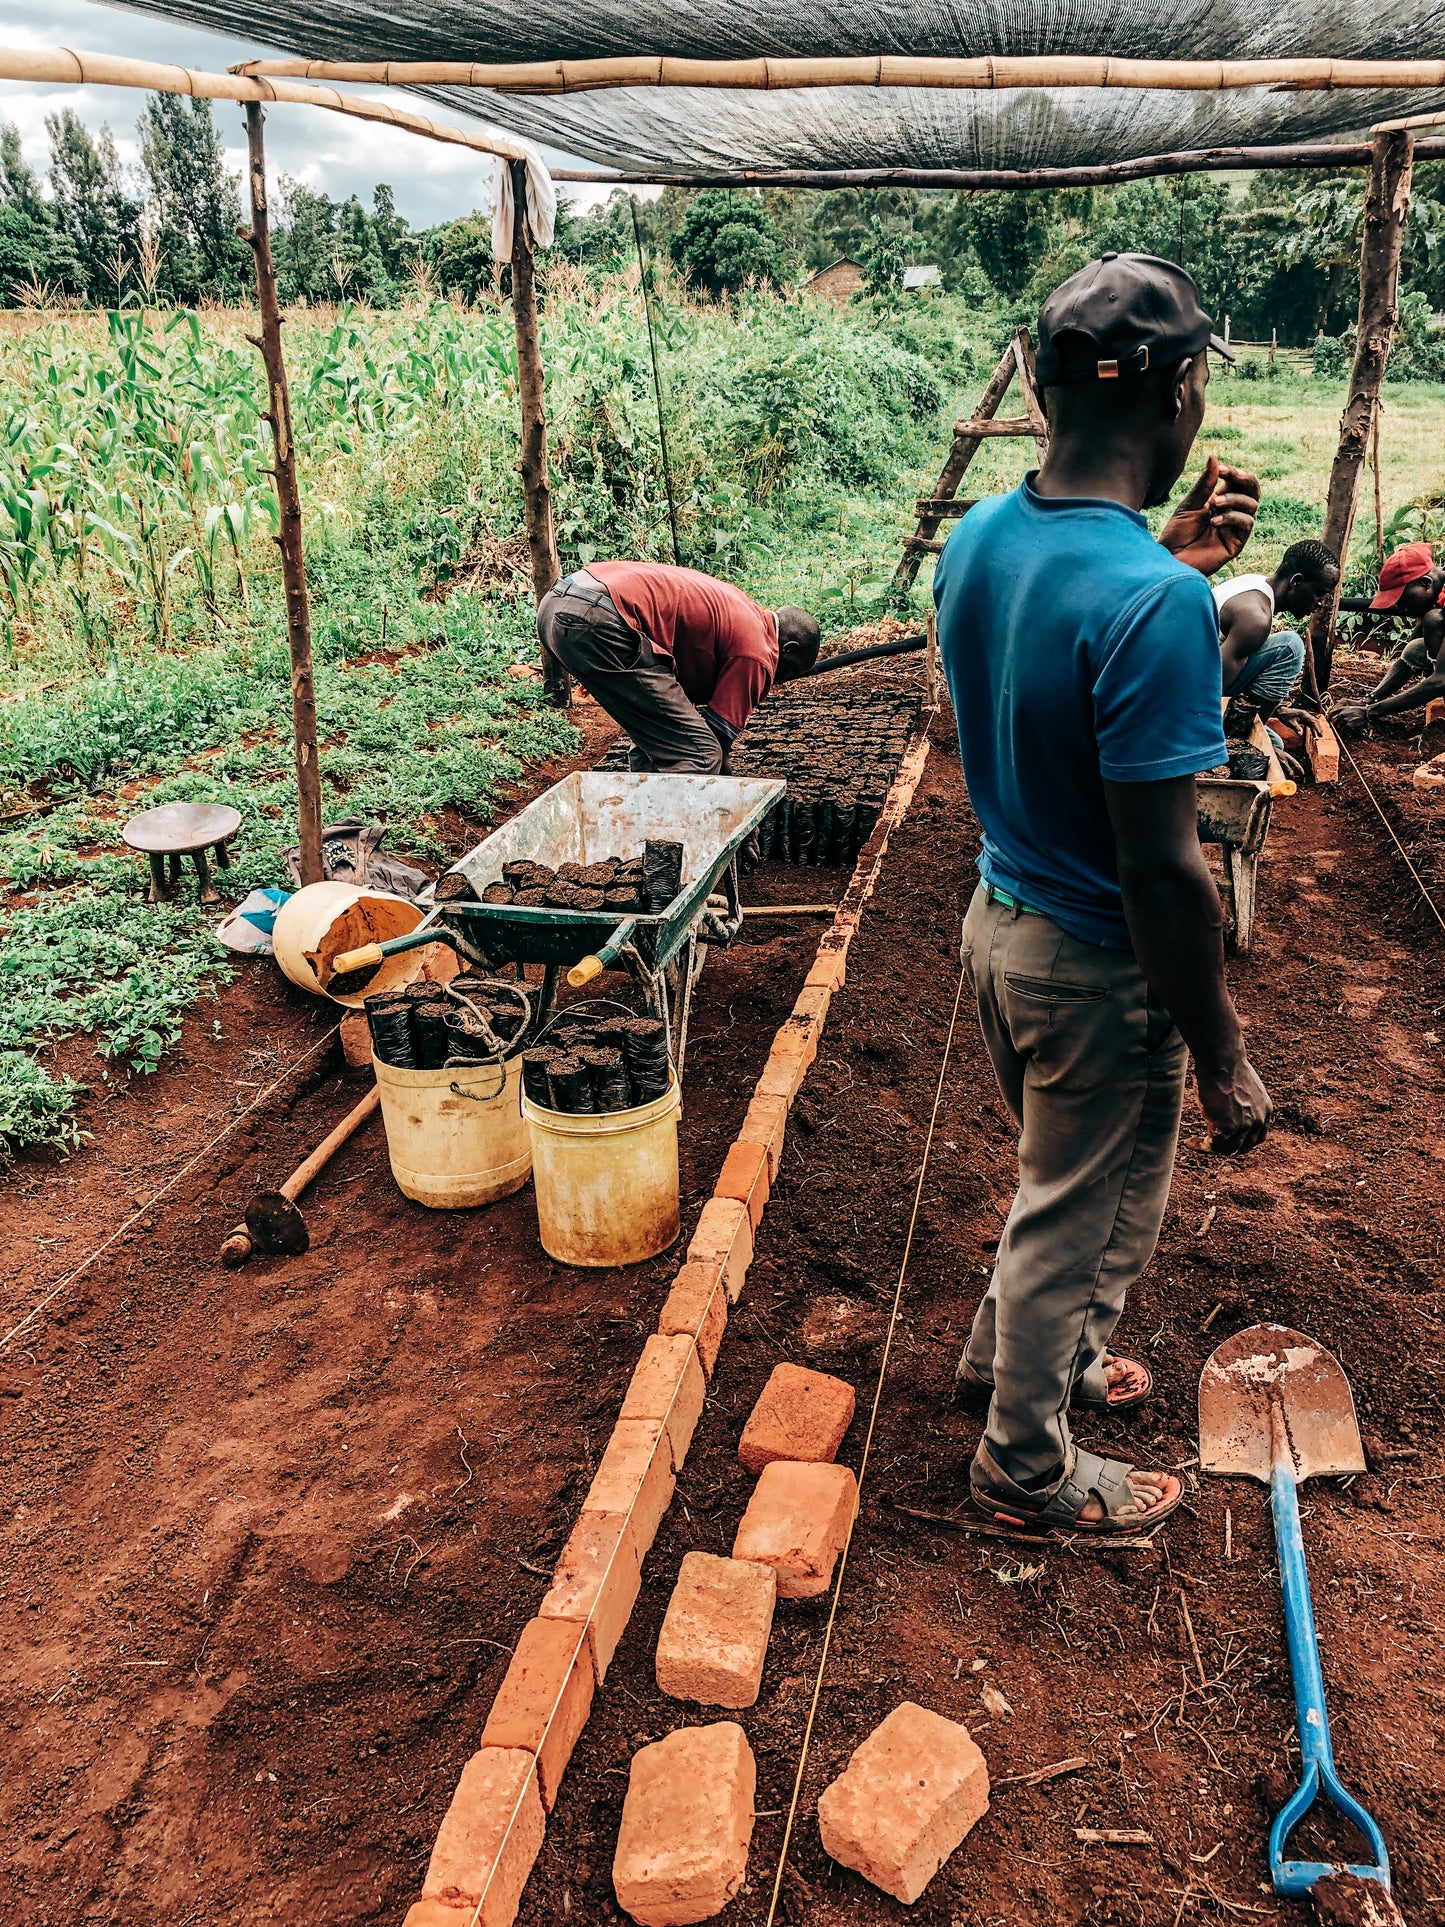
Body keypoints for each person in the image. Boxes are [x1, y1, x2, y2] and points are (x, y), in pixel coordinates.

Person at [935, 252, 1271, 1539]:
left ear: (1038, 393)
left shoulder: (982, 534)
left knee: (1051, 1188)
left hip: (998, 923)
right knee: (1086, 1216)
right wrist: (1223, 1052)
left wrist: (1166, 558)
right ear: (1182, 395)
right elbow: (1162, 869)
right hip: (1091, 968)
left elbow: (1044, 642)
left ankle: (1017, 1366)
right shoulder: (1152, 609)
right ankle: (1022, 1466)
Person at [536, 560, 820, 773]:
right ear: (788, 649)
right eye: (790, 672)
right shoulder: (758, 652)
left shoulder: (741, 607)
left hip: (557, 606)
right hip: (597, 619)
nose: (778, 682)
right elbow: (716, 741)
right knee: (700, 756)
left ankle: (644, 838)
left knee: (658, 745)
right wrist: (738, 813)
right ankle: (671, 849)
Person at [1213, 540, 1339, 771]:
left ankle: (1246, 727)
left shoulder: (1255, 583)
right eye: (1319, 593)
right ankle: (1235, 734)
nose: (1321, 603)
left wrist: (1278, 709)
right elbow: (1208, 694)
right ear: (1297, 581)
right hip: (1176, 700)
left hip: (1186, 678)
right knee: (1290, 648)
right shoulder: (1255, 618)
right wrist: (1244, 747)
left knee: (1274, 743)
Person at [1333, 541, 1445, 732]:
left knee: (1434, 620)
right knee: (1417, 648)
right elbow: (1408, 660)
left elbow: (1442, 679)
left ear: (1425, 582)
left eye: (1403, 600)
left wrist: (1370, 712)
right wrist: (1369, 700)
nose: (1401, 609)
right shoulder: (1435, 595)